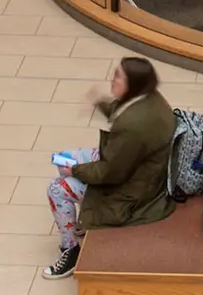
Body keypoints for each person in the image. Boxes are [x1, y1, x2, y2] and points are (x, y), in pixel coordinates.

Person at [43, 57, 176, 279]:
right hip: (143, 168)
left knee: (57, 189)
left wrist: (75, 171)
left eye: (118, 77)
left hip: (132, 191)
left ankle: (71, 250)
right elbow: (121, 113)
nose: (112, 80)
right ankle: (80, 221)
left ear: (133, 84)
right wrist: (101, 103)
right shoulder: (150, 98)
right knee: (65, 158)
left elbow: (110, 173)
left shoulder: (132, 126)